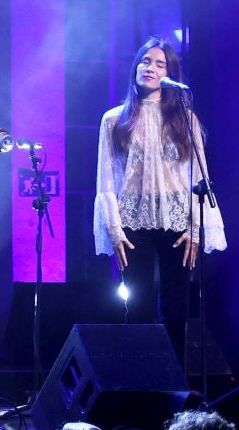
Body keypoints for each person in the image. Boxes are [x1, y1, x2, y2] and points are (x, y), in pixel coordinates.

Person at [94, 37, 226, 357]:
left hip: (178, 222)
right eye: (144, 61)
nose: (149, 67)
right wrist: (114, 230)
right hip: (132, 223)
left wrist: (195, 230)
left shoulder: (185, 118)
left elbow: (199, 177)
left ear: (170, 73)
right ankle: (139, 387)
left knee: (176, 311)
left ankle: (175, 390)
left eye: (159, 63)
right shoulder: (114, 119)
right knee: (137, 310)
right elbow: (106, 179)